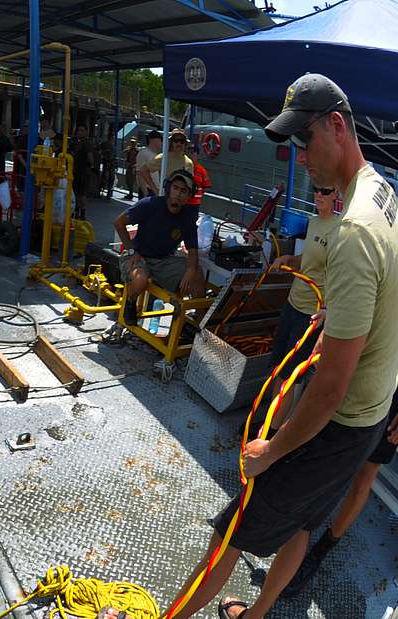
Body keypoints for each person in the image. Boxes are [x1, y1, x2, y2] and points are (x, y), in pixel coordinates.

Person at [169, 73, 398, 619]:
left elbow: (329, 386)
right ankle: (257, 613)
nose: (301, 160)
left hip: (339, 423)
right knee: (300, 522)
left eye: (305, 141)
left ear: (337, 127)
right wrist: (344, 314)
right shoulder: (385, 194)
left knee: (230, 532)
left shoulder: (355, 231)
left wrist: (271, 451)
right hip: (371, 410)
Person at [279, 390, 398, 597]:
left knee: (364, 478)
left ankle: (322, 549)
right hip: (371, 380)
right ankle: (292, 524)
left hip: (392, 406)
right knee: (329, 452)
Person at [244, 185, 340, 433]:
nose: (319, 194)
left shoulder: (340, 231)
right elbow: (308, 262)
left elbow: (343, 276)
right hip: (292, 303)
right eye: (317, 189)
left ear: (337, 195)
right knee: (277, 366)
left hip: (311, 314)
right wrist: (289, 260)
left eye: (326, 191)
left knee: (288, 376)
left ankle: (269, 434)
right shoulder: (314, 222)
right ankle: (267, 420)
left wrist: (329, 310)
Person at [113, 168, 206, 326]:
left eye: (183, 191)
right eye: (175, 188)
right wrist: (131, 250)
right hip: (138, 255)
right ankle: (130, 301)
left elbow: (192, 252)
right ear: (168, 188)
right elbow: (119, 222)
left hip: (163, 260)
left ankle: (199, 324)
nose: (178, 193)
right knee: (140, 280)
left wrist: (191, 271)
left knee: (197, 274)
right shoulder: (149, 204)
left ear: (189, 196)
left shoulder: (188, 217)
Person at [139, 128, 193, 197]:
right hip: (165, 198)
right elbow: (143, 170)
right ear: (171, 143)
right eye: (176, 141)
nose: (179, 143)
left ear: (185, 144)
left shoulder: (189, 162)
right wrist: (155, 190)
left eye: (181, 141)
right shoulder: (163, 158)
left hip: (181, 201)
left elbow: (190, 184)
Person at [71, 125, 95, 219]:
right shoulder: (76, 143)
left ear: (86, 132)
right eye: (78, 130)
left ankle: (82, 213)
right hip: (76, 171)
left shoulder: (87, 143)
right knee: (76, 193)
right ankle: (76, 211)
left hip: (83, 172)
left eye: (82, 130)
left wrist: (92, 166)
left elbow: (90, 156)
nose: (79, 132)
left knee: (82, 194)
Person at [134, 130, 162, 197]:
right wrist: (145, 193)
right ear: (154, 140)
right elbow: (139, 174)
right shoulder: (143, 153)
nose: (161, 143)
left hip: (155, 190)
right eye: (160, 140)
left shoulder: (156, 155)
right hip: (148, 190)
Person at [99, 135, 116, 199]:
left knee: (110, 178)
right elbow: (100, 152)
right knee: (106, 177)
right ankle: (103, 190)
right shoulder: (106, 144)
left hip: (110, 164)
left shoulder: (111, 145)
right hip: (107, 163)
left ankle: (107, 192)